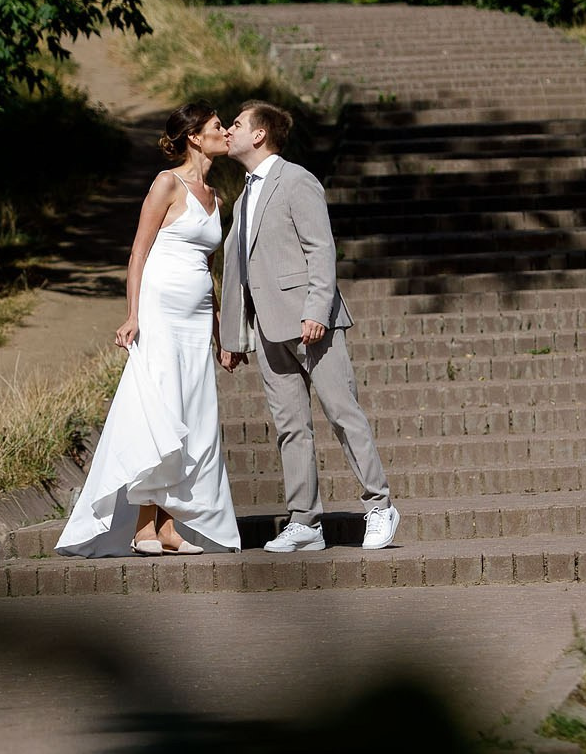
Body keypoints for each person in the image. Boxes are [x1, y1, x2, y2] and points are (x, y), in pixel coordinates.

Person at [57, 102, 242, 557]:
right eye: (219, 126)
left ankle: (168, 526)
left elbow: (208, 270)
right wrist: (132, 314)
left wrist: (221, 333)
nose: (226, 131)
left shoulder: (218, 196)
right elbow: (138, 253)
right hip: (160, 312)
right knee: (159, 411)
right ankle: (143, 526)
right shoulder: (167, 183)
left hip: (198, 319)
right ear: (196, 137)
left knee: (192, 416)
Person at [216, 99, 398, 552]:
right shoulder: (243, 196)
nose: (229, 131)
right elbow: (237, 270)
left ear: (259, 134)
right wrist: (236, 336)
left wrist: (317, 309)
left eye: (236, 124)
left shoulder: (296, 180)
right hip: (268, 331)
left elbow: (321, 249)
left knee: (342, 413)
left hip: (312, 323)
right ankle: (305, 522)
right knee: (290, 426)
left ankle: (379, 505)